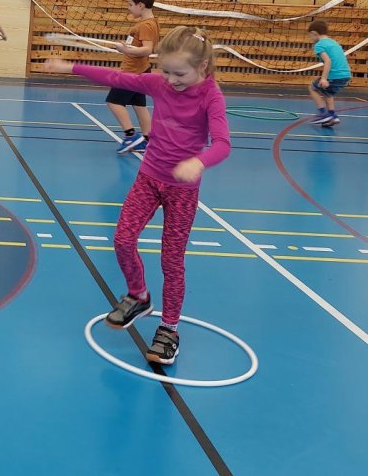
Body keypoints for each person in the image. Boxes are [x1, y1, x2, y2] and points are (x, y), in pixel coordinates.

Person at [44, 26, 230, 365]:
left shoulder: (211, 96)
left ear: (202, 67)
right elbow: (115, 77)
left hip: (182, 191)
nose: (170, 80)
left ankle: (169, 329)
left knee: (171, 260)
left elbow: (222, 144)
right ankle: (139, 295)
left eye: (180, 74)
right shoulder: (158, 83)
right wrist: (69, 67)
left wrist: (199, 162)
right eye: (166, 71)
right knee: (122, 239)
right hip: (149, 179)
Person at [106, 0, 161, 155]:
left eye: (131, 4)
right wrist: (126, 48)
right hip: (142, 70)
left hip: (132, 72)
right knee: (139, 105)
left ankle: (130, 136)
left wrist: (126, 50)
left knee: (113, 102)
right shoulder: (151, 23)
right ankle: (148, 140)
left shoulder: (146, 25)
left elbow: (147, 49)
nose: (129, 8)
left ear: (141, 5)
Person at [307, 20, 351, 127]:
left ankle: (323, 114)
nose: (310, 38)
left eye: (310, 35)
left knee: (312, 88)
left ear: (314, 33)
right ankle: (333, 116)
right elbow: (341, 59)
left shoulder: (319, 45)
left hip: (335, 75)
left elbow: (328, 61)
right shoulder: (334, 42)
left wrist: (324, 78)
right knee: (328, 92)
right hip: (345, 75)